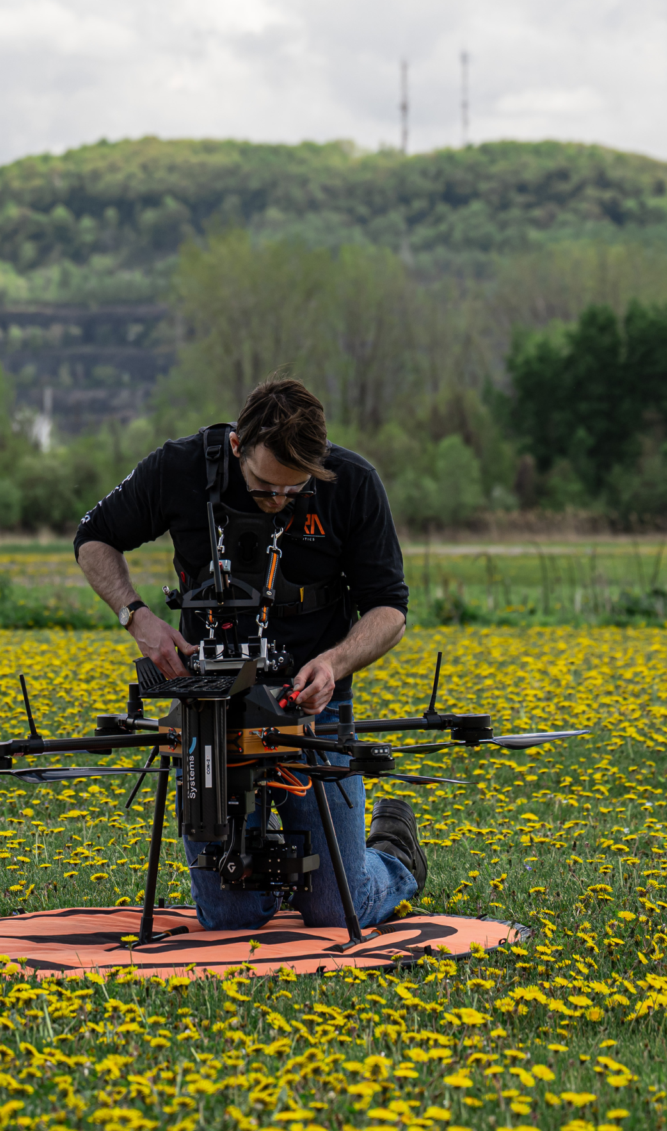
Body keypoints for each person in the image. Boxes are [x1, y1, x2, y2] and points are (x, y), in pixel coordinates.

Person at [74, 377, 427, 930]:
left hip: (312, 710)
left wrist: (333, 665)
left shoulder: (353, 482)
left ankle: (392, 854)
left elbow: (390, 610)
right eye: (266, 486)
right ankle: (285, 878)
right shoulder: (179, 468)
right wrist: (137, 616)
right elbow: (93, 536)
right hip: (211, 714)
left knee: (338, 911)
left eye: (295, 488)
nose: (279, 500)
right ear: (238, 445)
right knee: (231, 921)